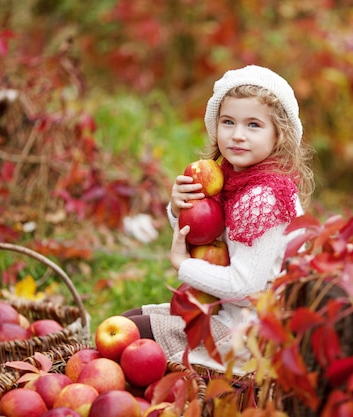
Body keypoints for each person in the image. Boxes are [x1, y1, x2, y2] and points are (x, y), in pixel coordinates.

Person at [123, 65, 315, 373]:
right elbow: (208, 238)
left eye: (253, 125)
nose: (237, 135)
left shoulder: (263, 196)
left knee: (129, 339)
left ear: (279, 135)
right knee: (126, 323)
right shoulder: (229, 178)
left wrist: (182, 265)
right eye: (228, 122)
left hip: (251, 334)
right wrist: (179, 208)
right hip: (226, 310)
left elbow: (244, 285)